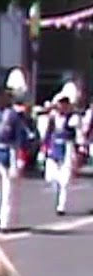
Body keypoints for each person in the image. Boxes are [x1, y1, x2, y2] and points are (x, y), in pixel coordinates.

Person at [0, 68, 29, 232]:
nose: (0, 99)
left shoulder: (14, 116)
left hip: (8, 153)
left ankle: (4, 222)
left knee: (7, 189)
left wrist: (20, 158)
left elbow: (20, 137)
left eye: (3, 96)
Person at [43, 82, 81, 216]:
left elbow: (78, 136)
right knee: (50, 177)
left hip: (67, 147)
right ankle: (57, 188)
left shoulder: (73, 118)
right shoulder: (53, 118)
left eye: (65, 103)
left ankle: (61, 206)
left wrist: (79, 151)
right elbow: (48, 133)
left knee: (64, 179)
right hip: (54, 147)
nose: (62, 106)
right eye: (61, 103)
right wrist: (45, 147)